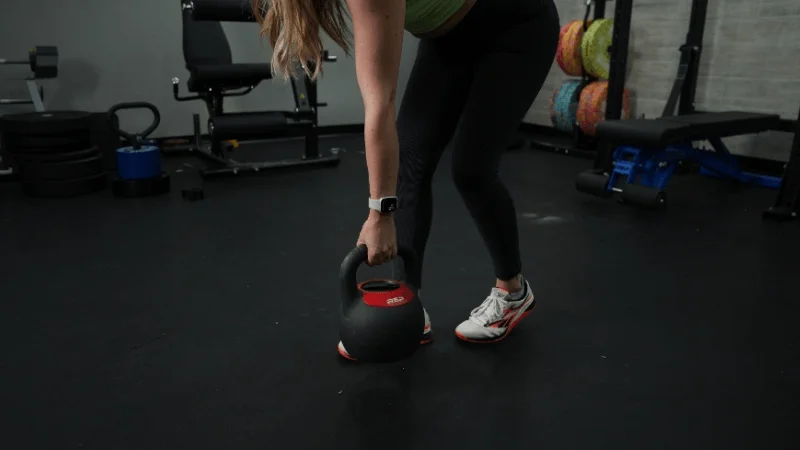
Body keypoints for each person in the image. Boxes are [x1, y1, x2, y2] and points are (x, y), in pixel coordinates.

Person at [252, 0, 560, 359]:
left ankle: (513, 292)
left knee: (472, 170)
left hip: (518, 26)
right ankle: (404, 301)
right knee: (411, 158)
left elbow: (380, 102)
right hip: (448, 40)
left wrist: (380, 214)